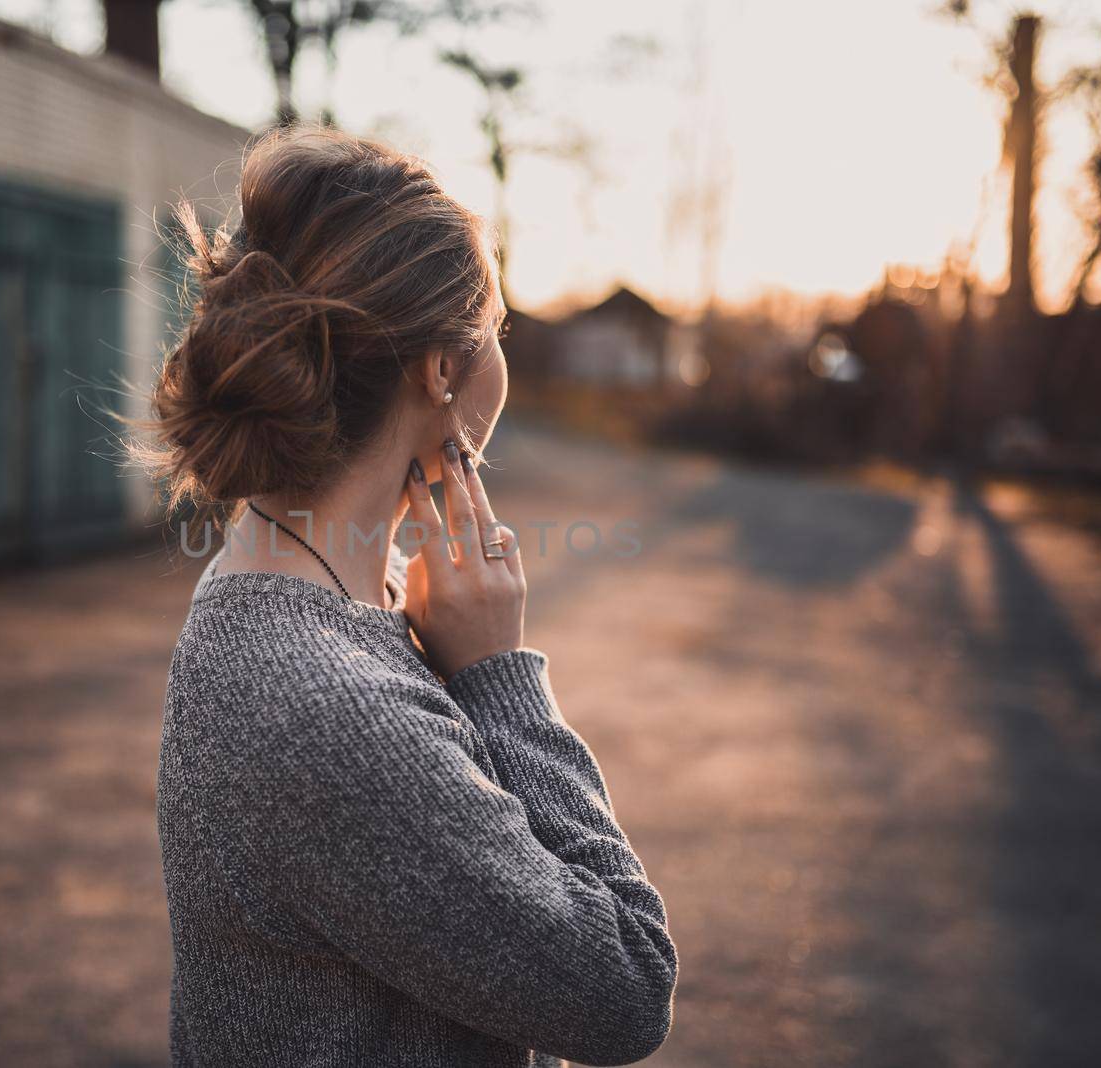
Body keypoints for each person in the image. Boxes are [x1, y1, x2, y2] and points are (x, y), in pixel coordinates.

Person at [140, 124, 677, 1067]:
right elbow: (625, 989)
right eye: (496, 332)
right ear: (439, 369)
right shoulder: (328, 703)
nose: (499, 357)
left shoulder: (278, 583)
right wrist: (501, 676)